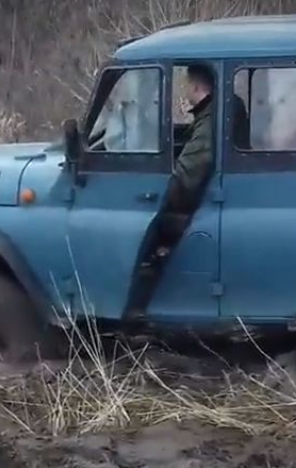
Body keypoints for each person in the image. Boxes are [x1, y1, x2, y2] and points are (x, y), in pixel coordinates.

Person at [123, 63, 217, 320]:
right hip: (204, 199)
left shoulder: (212, 120)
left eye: (188, 85)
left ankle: (140, 303)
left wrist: (156, 198)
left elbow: (186, 180)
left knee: (154, 221)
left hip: (204, 204)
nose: (186, 90)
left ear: (197, 87)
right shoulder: (213, 113)